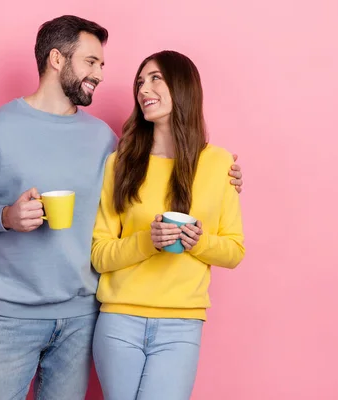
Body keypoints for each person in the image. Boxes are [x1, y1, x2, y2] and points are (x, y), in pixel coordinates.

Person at [0, 15, 243, 400]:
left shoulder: (105, 140)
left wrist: (223, 175)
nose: (100, 74)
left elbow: (154, 177)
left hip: (83, 317)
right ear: (56, 59)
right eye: (91, 62)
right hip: (11, 317)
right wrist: (4, 217)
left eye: (101, 64)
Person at [90, 50, 246, 400]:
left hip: (182, 325)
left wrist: (199, 242)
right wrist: (149, 241)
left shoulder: (219, 163)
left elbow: (234, 250)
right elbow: (99, 255)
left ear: (183, 86)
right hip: (119, 321)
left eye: (155, 77)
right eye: (140, 81)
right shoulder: (120, 164)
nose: (144, 88)